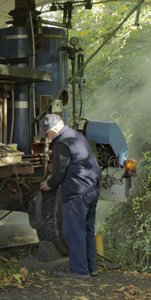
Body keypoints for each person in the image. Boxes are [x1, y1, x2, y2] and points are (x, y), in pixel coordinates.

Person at [39, 113, 101, 279]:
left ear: (53, 130)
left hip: (77, 193)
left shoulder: (61, 143)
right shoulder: (76, 135)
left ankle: (79, 270)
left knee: (73, 232)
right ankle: (91, 268)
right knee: (87, 230)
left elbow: (59, 175)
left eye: (46, 134)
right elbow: (74, 164)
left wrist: (49, 184)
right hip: (92, 189)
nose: (46, 138)